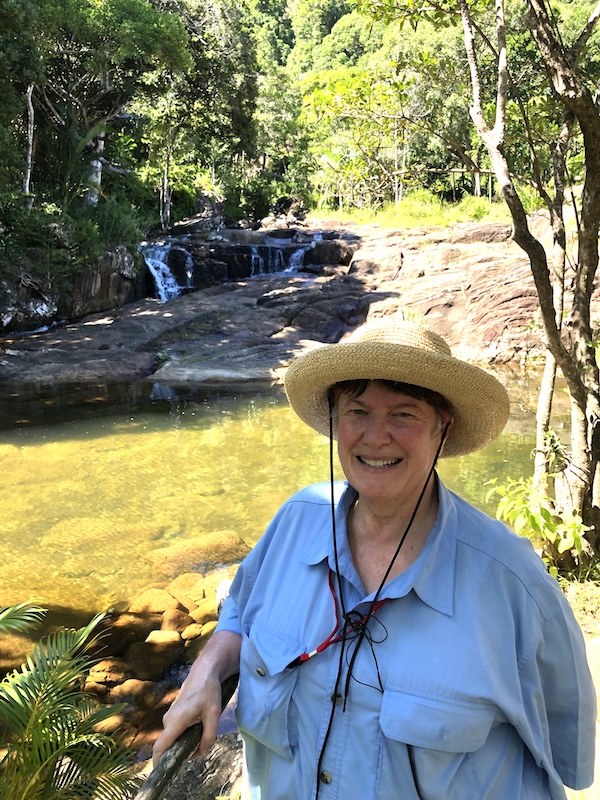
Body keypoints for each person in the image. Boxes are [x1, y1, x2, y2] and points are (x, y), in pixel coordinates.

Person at [153, 318, 596, 799]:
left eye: (403, 414)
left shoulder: (513, 582)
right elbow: (241, 609)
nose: (376, 436)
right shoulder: (296, 521)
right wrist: (206, 671)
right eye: (357, 411)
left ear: (441, 429)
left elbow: (566, 748)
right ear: (334, 421)